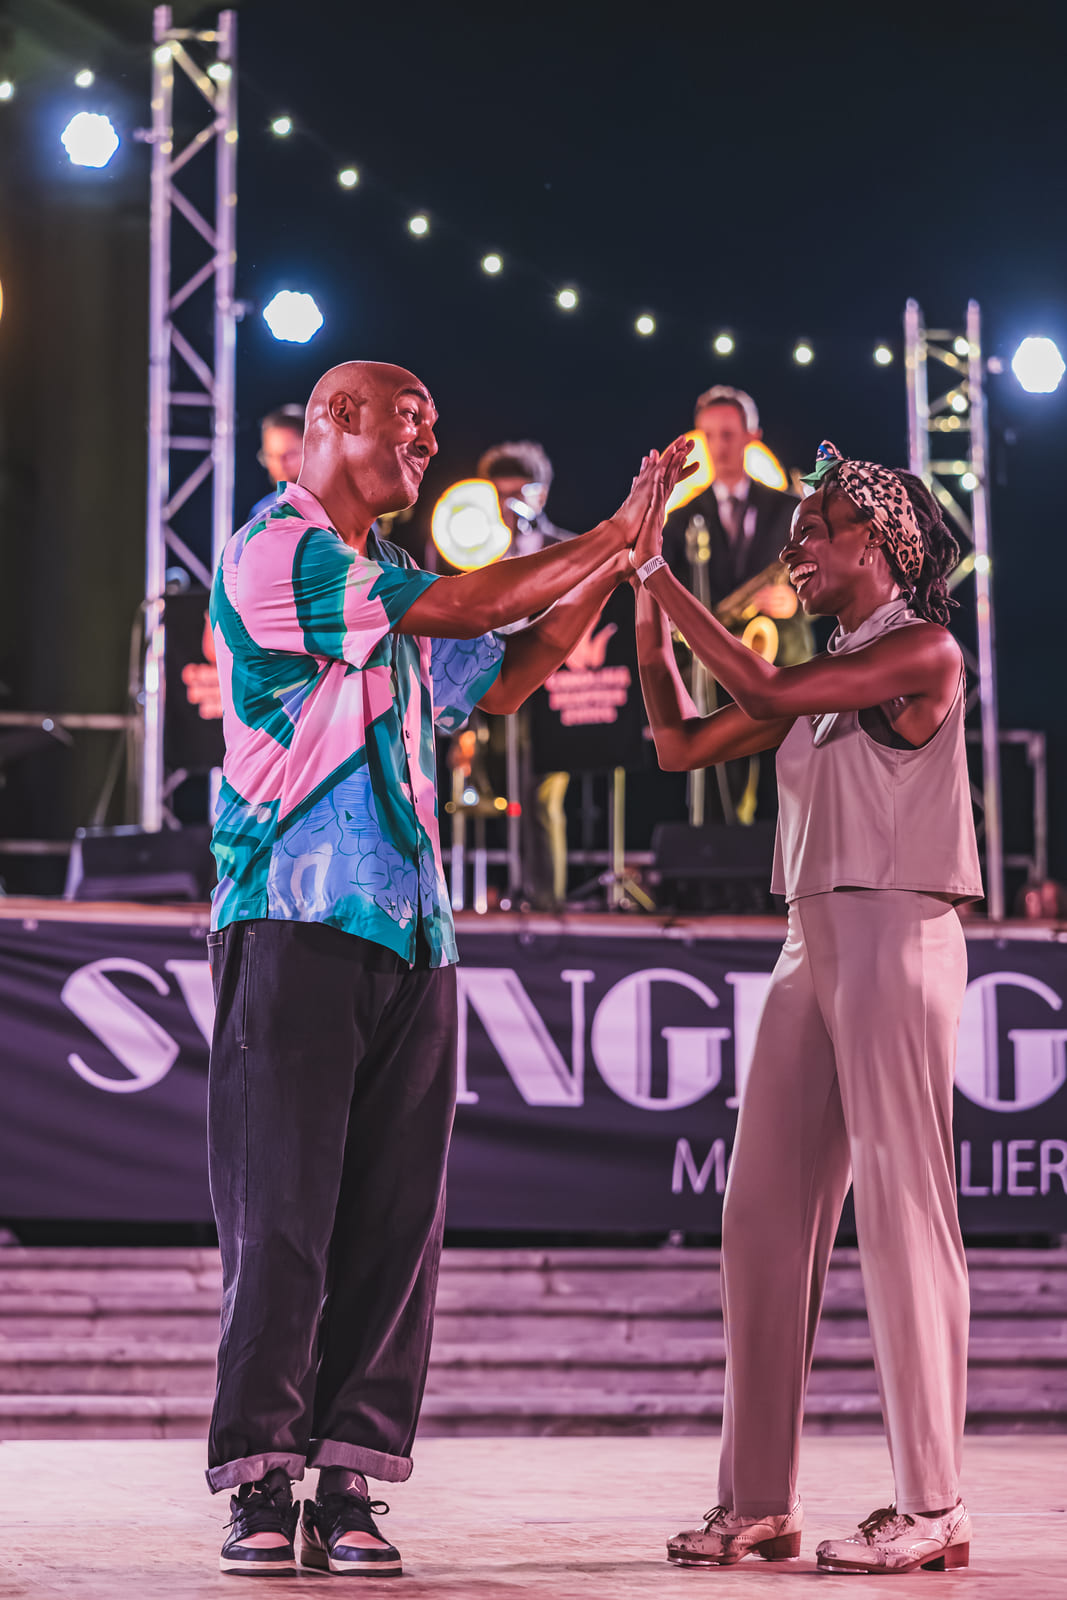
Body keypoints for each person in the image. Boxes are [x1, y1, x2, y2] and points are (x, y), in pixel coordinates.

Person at [205, 359, 676, 1578]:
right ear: (334, 419)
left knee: (393, 1227)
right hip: (292, 913)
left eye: (430, 425)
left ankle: (348, 1478)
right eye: (405, 421)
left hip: (414, 927)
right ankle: (259, 1478)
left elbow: (506, 672)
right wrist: (603, 534)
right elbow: (469, 610)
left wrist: (618, 561)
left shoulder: (394, 579)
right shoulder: (278, 551)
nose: (425, 441)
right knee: (283, 1215)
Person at [631, 439, 981, 1575]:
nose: (796, 550)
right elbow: (679, 743)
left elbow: (767, 690)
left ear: (878, 543)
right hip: (809, 936)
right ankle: (757, 1502)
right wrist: (641, 597)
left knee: (902, 1211)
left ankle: (932, 1505)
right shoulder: (828, 675)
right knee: (760, 1218)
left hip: (896, 926)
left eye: (814, 531)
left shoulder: (920, 650)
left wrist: (660, 572)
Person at [663, 385, 811, 824]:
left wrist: (797, 600)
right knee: (716, 800)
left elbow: (835, 585)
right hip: (716, 675)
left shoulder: (795, 509)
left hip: (786, 669)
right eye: (709, 435)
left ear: (752, 436)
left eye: (728, 434)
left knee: (784, 799)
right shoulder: (681, 519)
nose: (718, 446)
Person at [480, 440, 574, 906]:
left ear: (542, 493)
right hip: (502, 689)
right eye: (501, 494)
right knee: (510, 793)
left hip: (556, 693)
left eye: (520, 493)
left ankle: (546, 901)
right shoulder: (479, 551)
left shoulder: (567, 548)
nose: (509, 505)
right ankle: (520, 891)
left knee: (542, 796)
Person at [247, 403, 306, 521]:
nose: (280, 466)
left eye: (289, 455)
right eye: (271, 456)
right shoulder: (262, 513)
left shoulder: (335, 506)